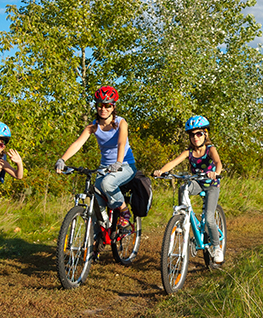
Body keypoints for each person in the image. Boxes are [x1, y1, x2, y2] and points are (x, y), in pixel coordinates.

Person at [55, 86, 137, 227]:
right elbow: (77, 144)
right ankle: (98, 235)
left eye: (107, 105)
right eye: (100, 105)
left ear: (113, 107)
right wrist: (62, 159)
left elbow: (121, 143)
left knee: (107, 184)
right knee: (95, 194)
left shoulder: (121, 123)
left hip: (125, 165)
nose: (103, 109)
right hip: (105, 168)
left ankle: (124, 210)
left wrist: (118, 162)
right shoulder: (92, 127)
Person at [153, 115, 223, 263]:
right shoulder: (188, 152)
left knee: (209, 218)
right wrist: (161, 171)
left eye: (199, 133)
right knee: (183, 187)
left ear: (205, 134)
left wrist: (216, 173)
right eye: (192, 135)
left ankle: (217, 247)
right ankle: (182, 214)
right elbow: (173, 163)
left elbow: (218, 162)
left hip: (211, 184)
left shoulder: (210, 149)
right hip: (197, 182)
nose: (195, 137)